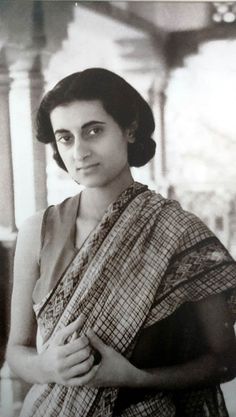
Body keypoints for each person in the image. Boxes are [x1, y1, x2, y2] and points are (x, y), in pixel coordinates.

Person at [6, 68, 236, 417]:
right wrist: (46, 368)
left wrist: (137, 378)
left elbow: (225, 360)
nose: (79, 151)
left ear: (129, 129)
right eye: (65, 138)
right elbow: (16, 350)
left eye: (93, 131)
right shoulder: (37, 231)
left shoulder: (180, 232)